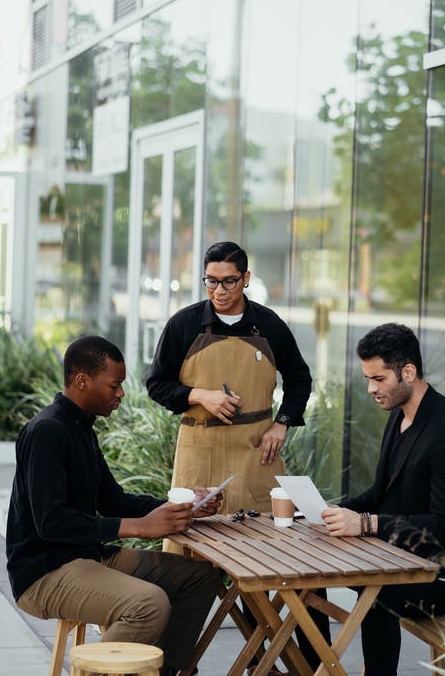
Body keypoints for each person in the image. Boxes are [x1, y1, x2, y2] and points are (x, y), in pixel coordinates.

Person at [146, 240, 329, 674]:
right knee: (182, 559)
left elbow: (300, 378)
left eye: (229, 281)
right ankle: (173, 665)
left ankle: (279, 662)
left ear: (246, 279)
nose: (219, 290)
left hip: (256, 456)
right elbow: (157, 385)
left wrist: (283, 422)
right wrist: (198, 395)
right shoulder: (183, 324)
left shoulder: (269, 325)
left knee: (273, 560)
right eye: (211, 281)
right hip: (197, 452)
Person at [6, 336, 221, 676]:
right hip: (45, 572)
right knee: (148, 604)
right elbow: (51, 523)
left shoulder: (82, 430)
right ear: (82, 380)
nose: (120, 393)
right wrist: (138, 527)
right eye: (114, 385)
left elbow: (113, 500)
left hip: (89, 556)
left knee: (199, 577)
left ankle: (162, 670)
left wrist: (182, 506)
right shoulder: (47, 431)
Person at [322, 323, 445, 676]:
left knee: (378, 591)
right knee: (314, 575)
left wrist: (365, 524)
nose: (370, 389)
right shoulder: (398, 415)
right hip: (401, 559)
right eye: (368, 378)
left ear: (408, 372)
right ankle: (307, 666)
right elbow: (380, 494)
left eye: (378, 379)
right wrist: (333, 510)